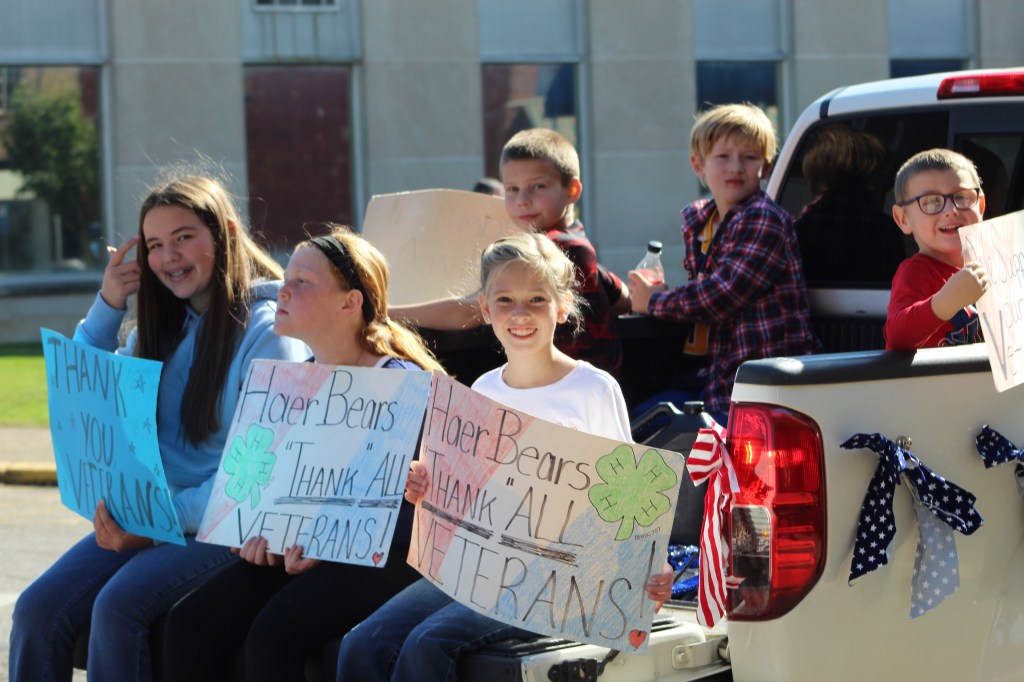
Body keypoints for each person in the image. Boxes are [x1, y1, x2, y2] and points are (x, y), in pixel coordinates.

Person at [8, 173, 311, 682]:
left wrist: (154, 527)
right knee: (37, 610)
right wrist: (106, 309)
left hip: (215, 524)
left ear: (226, 234)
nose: (168, 257)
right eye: (153, 245)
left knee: (117, 609)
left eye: (184, 237)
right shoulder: (162, 325)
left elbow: (255, 478)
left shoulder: (270, 334)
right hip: (148, 518)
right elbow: (83, 396)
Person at [336, 232, 672, 682]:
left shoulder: (592, 389)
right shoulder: (483, 391)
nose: (520, 313)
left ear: (563, 305)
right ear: (485, 307)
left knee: (426, 644)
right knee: (361, 643)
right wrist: (430, 489)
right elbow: (469, 500)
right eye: (506, 299)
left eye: (537, 298)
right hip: (480, 567)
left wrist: (650, 564)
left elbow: (632, 498)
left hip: (557, 580)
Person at [161, 225, 446, 681]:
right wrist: (259, 533)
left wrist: (323, 545)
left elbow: (406, 518)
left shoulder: (402, 385)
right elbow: (273, 492)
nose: (283, 290)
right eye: (286, 278)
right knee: (190, 622)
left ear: (350, 303)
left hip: (387, 560)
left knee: (274, 636)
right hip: (307, 550)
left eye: (302, 283)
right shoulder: (290, 385)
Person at [628, 103, 818, 421]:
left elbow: (722, 295)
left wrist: (655, 301)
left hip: (758, 385)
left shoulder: (762, 218)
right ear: (698, 165)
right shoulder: (703, 221)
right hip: (713, 375)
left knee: (657, 426)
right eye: (723, 157)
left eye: (749, 157)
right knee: (638, 419)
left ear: (766, 167)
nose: (736, 167)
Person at [392, 128, 631, 378]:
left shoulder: (555, 251)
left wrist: (390, 313)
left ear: (572, 190)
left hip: (564, 390)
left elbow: (470, 309)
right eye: (512, 189)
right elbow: (623, 298)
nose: (522, 200)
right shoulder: (579, 242)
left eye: (538, 186)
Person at [884, 149, 988, 350]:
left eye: (963, 197)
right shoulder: (915, 273)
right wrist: (944, 303)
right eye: (931, 202)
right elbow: (897, 337)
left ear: (981, 206)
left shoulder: (995, 265)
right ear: (903, 219)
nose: (951, 211)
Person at [793, 124, 907, 287]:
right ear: (868, 183)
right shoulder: (884, 230)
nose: (887, 190)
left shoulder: (795, 228)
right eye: (883, 180)